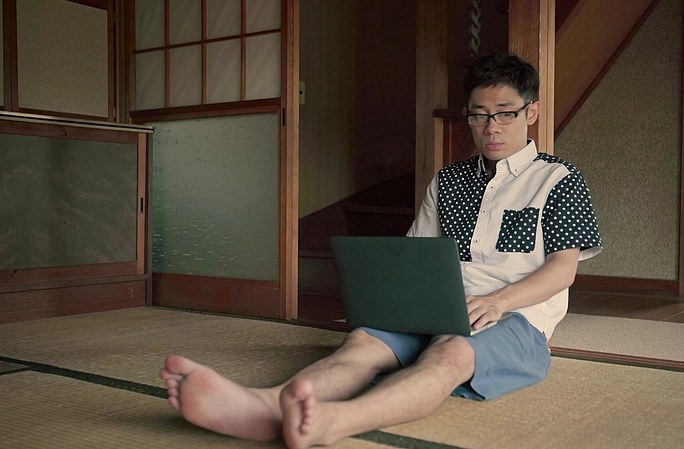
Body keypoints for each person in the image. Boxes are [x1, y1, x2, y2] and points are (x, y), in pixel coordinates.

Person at [160, 52, 602, 449]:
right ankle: (263, 406)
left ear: (531, 111)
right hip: (437, 307)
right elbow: (416, 255)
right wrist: (395, 302)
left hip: (515, 317)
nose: (491, 127)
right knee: (361, 344)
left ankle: (334, 421)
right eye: (479, 115)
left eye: (505, 113)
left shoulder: (559, 180)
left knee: (448, 354)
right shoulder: (448, 181)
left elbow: (563, 271)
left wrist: (498, 301)